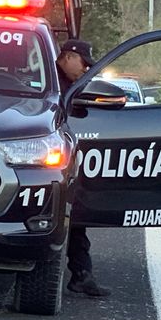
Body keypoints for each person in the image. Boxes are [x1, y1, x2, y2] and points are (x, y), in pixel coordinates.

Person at [57, 38, 111, 298]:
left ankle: (82, 275)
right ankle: (81, 274)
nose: (87, 69)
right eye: (84, 63)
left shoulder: (73, 86)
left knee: (74, 212)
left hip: (65, 160)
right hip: (45, 162)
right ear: (67, 57)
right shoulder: (48, 83)